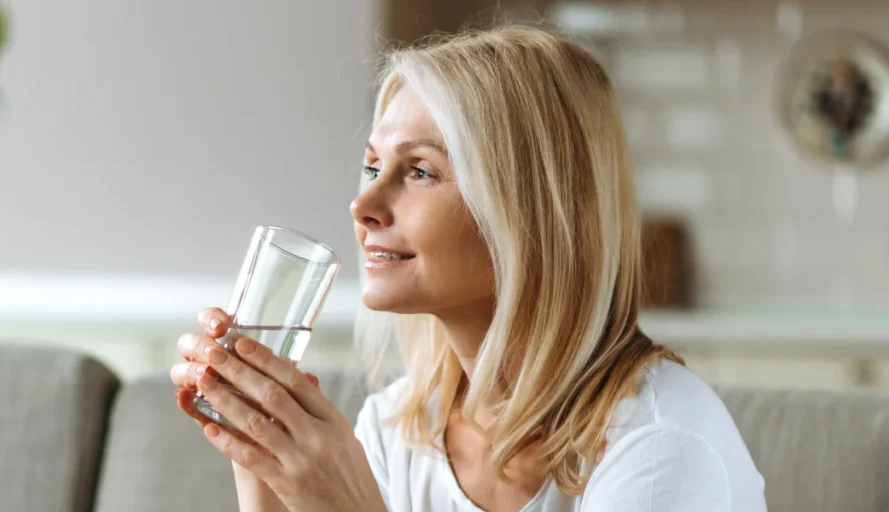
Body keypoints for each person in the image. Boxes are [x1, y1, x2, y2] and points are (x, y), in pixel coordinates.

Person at [170, 25, 767, 512]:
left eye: (420, 171)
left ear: (530, 210)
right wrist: (261, 463)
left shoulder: (661, 444)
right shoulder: (398, 430)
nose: (363, 205)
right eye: (373, 167)